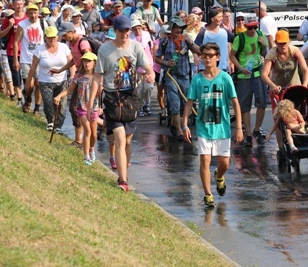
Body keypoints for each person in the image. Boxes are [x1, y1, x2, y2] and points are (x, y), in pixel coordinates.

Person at [88, 14, 155, 192]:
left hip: (130, 97)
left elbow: (148, 66)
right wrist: (90, 103)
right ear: (115, 31)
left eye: (128, 30)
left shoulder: (136, 47)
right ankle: (123, 180)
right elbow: (97, 78)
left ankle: (124, 168)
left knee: (127, 140)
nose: (125, 34)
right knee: (118, 136)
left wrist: (151, 74)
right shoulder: (104, 50)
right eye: (122, 30)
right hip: (112, 96)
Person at [180, 42, 243, 208]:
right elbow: (189, 103)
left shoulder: (225, 78)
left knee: (224, 163)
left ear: (218, 58)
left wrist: (239, 128)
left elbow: (235, 103)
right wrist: (185, 124)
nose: (207, 59)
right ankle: (208, 194)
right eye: (204, 56)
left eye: (210, 56)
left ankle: (219, 177)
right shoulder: (197, 80)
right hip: (204, 127)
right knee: (205, 160)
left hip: (222, 127)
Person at [154, 16, 200, 135]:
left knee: (186, 102)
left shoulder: (185, 40)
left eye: (181, 28)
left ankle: (179, 124)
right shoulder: (165, 42)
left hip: (184, 75)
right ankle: (179, 131)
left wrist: (190, 42)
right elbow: (157, 58)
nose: (179, 30)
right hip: (171, 76)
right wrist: (166, 63)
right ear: (172, 28)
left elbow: (198, 51)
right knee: (174, 102)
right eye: (176, 28)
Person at [25, 26, 74, 135]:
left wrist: (73, 75)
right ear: (45, 37)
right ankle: (50, 122)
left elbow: (72, 62)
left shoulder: (64, 47)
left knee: (62, 104)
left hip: (62, 81)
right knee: (48, 103)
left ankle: (58, 126)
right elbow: (33, 66)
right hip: (45, 81)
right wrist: (29, 81)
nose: (52, 40)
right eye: (50, 37)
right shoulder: (40, 50)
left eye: (54, 37)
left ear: (58, 37)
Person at [55, 51, 101, 165]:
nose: (86, 64)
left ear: (94, 63)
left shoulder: (98, 77)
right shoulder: (78, 77)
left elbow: (102, 94)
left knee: (94, 135)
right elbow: (69, 90)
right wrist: (59, 96)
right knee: (87, 130)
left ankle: (91, 149)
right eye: (84, 61)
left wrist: (101, 107)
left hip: (94, 108)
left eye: (89, 61)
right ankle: (86, 156)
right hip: (81, 108)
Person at [229, 16, 268, 146]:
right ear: (245, 27)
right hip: (244, 76)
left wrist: (264, 45)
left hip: (258, 73)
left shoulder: (261, 35)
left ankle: (257, 130)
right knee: (244, 105)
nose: (253, 30)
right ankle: (249, 134)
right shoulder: (239, 38)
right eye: (250, 27)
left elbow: (264, 53)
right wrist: (240, 68)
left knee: (262, 102)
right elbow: (232, 55)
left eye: (255, 27)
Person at [261, 29, 308, 110]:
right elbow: (264, 75)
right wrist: (273, 86)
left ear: (289, 42)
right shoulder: (272, 54)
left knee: (297, 115)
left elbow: (305, 70)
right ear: (276, 43)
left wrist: (304, 86)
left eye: (285, 43)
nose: (283, 46)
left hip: (294, 88)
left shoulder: (295, 51)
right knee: (279, 116)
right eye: (280, 43)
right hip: (278, 90)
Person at [15, 3, 44, 115]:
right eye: (31, 13)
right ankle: (28, 99)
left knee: (39, 84)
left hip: (40, 59)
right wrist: (16, 60)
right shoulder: (22, 25)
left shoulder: (43, 23)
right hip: (26, 59)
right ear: (27, 14)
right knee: (29, 85)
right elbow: (16, 42)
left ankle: (36, 108)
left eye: (35, 13)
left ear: (38, 13)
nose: (33, 15)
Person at [0, 0, 27, 107]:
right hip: (12, 50)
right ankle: (19, 99)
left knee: (26, 76)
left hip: (25, 51)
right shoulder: (9, 19)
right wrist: (10, 26)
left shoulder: (27, 18)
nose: (19, 6)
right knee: (16, 75)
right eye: (17, 4)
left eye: (21, 4)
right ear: (13, 5)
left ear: (23, 4)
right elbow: (1, 34)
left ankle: (27, 96)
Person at [194, 7, 232, 73]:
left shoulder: (225, 31)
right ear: (212, 19)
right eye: (219, 17)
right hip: (205, 69)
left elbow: (234, 42)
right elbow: (194, 47)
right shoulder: (203, 32)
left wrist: (231, 62)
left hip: (222, 69)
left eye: (222, 16)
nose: (221, 19)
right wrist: (196, 57)